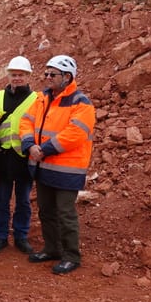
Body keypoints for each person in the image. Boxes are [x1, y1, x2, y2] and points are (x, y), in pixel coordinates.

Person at [20, 55, 95, 275]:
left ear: (67, 76)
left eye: (53, 74)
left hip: (66, 169)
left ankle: (71, 255)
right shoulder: (42, 98)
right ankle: (52, 248)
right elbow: (26, 121)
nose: (47, 77)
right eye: (46, 73)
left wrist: (44, 148)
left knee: (65, 213)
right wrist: (29, 144)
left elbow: (76, 133)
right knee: (46, 211)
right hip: (43, 166)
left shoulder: (81, 103)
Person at [0, 56, 38, 255]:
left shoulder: (37, 99)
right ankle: (1, 236)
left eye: (21, 75)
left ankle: (21, 236)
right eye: (14, 74)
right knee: (2, 199)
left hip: (25, 157)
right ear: (8, 75)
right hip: (3, 156)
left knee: (23, 200)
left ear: (28, 76)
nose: (17, 78)